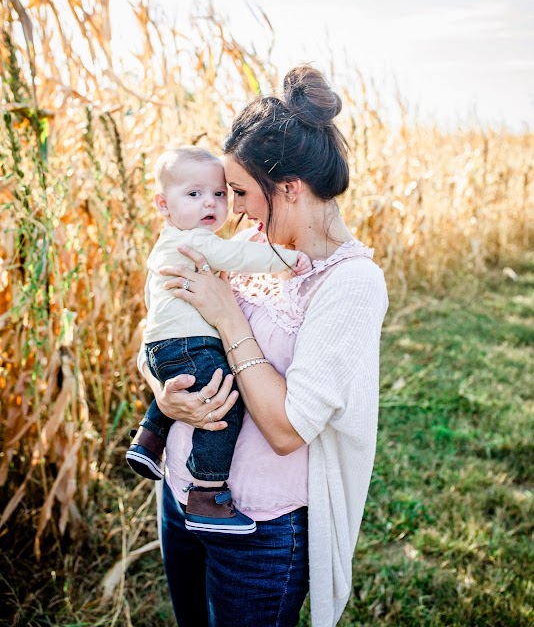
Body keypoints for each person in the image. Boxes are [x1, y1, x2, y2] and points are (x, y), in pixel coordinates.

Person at [137, 66, 388, 627]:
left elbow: (285, 430)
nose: (236, 209)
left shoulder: (349, 284)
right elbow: (160, 326)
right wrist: (163, 391)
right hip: (180, 498)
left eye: (242, 193)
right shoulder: (251, 245)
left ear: (290, 189)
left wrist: (228, 317)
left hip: (260, 531)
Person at [127, 146, 311, 534]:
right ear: (163, 204)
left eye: (220, 194)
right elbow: (239, 256)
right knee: (221, 405)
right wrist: (287, 260)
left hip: (164, 343)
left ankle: (147, 441)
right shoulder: (196, 242)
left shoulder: (167, 245)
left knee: (189, 387)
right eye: (193, 195)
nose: (210, 203)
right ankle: (208, 494)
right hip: (190, 343)